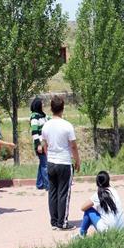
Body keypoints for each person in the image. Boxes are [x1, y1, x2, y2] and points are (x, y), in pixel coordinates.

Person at [42, 96, 81, 230]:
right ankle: (62, 222)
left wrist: (49, 157)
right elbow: (73, 146)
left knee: (52, 192)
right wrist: (77, 160)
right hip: (64, 162)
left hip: (51, 162)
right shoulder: (67, 125)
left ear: (51, 108)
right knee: (63, 192)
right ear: (62, 108)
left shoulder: (46, 125)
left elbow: (44, 144)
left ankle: (54, 221)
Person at [73, 171, 124, 238]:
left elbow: (83, 208)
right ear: (108, 180)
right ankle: (82, 234)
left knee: (89, 210)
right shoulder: (114, 191)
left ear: (97, 182)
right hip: (122, 230)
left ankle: (81, 234)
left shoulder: (98, 195)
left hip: (109, 232)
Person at [30, 97, 49, 190]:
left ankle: (40, 183)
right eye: (42, 103)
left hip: (45, 143)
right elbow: (34, 132)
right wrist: (38, 145)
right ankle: (48, 185)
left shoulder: (44, 116)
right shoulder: (34, 116)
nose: (43, 105)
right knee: (45, 164)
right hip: (40, 144)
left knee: (43, 163)